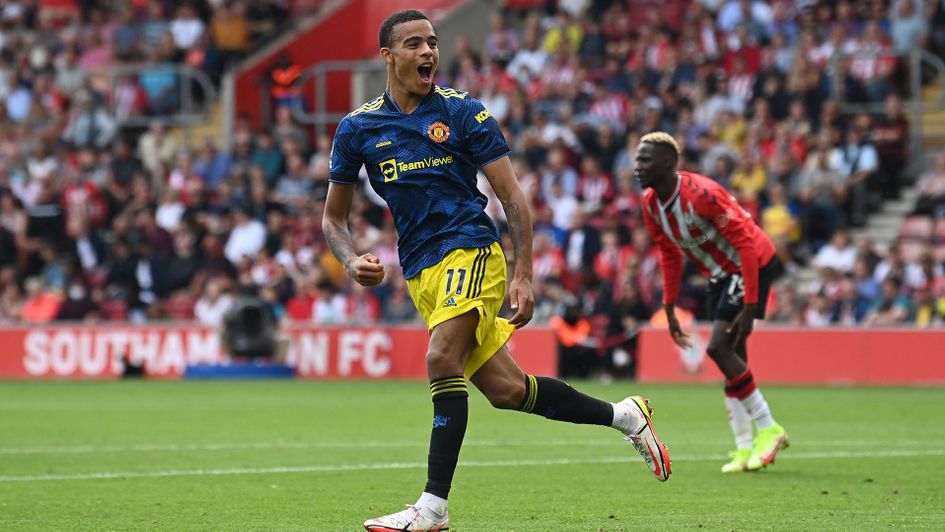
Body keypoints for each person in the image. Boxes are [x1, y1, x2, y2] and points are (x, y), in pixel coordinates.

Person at [322, 10, 671, 532]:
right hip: (422, 272)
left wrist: (523, 273)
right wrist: (349, 258)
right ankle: (625, 415)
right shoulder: (359, 128)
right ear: (387, 57)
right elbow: (333, 217)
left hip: (472, 251)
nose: (427, 53)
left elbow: (512, 196)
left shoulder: (464, 112)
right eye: (413, 44)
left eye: (433, 43)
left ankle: (433, 508)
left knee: (442, 358)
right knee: (508, 391)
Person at [635, 131, 789, 474]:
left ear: (668, 163)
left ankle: (769, 428)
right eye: (637, 159)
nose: (637, 166)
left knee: (719, 347)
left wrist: (750, 307)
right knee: (734, 358)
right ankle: (744, 448)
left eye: (645, 159)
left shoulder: (702, 194)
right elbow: (669, 255)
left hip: (753, 263)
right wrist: (670, 307)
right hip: (720, 274)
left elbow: (747, 244)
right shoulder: (649, 204)